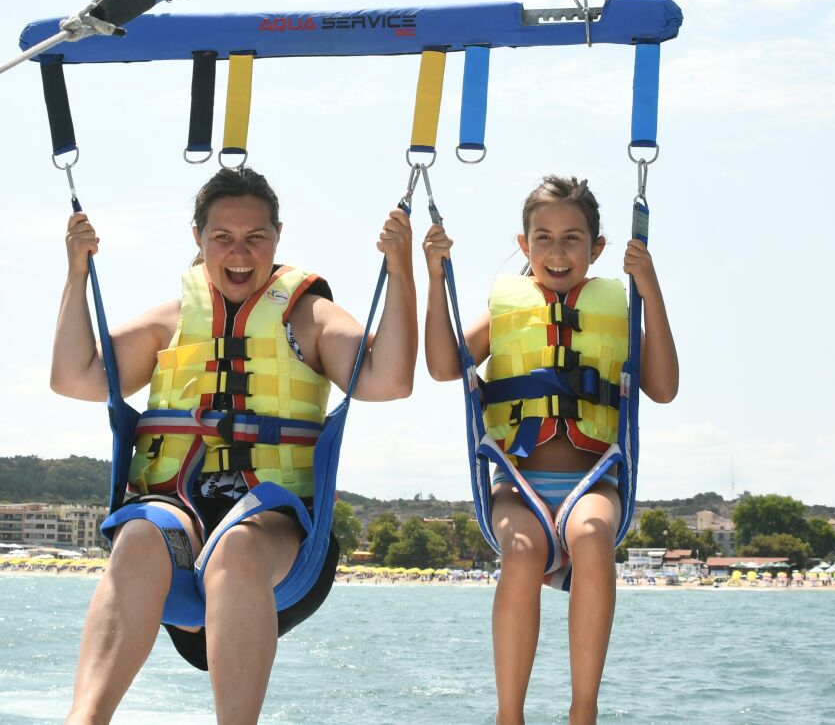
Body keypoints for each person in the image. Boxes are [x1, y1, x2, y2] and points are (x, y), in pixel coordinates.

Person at [52, 166, 416, 725]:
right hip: (178, 532)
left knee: (237, 549)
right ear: (197, 240)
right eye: (222, 237)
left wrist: (400, 270)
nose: (240, 252)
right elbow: (74, 376)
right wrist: (76, 273)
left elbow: (388, 379)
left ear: (278, 236)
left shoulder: (308, 316)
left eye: (256, 237)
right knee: (139, 536)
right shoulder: (173, 319)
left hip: (278, 548)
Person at [423, 175, 678, 725]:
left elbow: (663, 388)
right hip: (518, 485)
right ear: (524, 244)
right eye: (543, 238)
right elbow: (445, 367)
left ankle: (582, 710)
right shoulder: (506, 311)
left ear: (597, 248)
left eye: (572, 239)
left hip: (594, 481)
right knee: (519, 552)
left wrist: (649, 289)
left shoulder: (619, 308)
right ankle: (508, 714)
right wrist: (434, 275)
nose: (557, 252)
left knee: (591, 536)